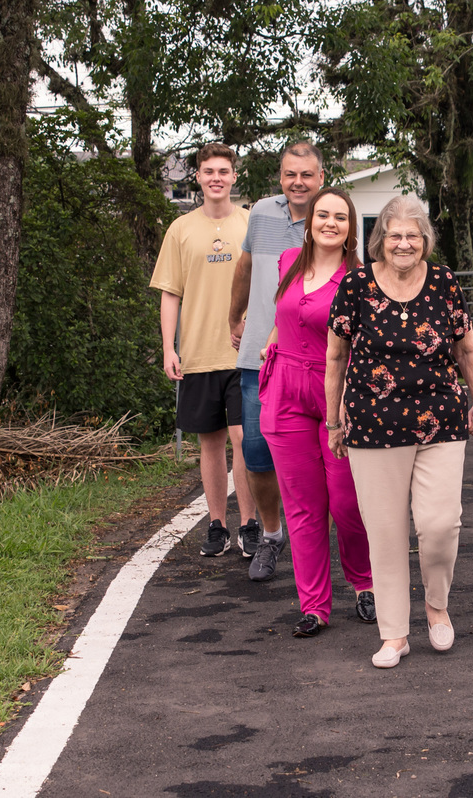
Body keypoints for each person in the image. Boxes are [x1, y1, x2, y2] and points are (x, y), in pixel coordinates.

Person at [326, 196, 473, 669]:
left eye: (412, 236)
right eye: (395, 235)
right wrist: (333, 420)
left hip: (441, 419)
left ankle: (436, 606)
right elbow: (336, 357)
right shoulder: (356, 284)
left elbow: (467, 350)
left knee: (440, 525)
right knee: (385, 532)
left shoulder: (441, 283)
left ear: (424, 241)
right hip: (372, 425)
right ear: (381, 240)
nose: (403, 244)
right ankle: (394, 633)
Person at [259, 188, 374, 637]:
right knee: (303, 507)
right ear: (308, 222)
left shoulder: (359, 279)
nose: (330, 222)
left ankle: (364, 585)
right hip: (285, 388)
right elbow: (284, 313)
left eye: (340, 217)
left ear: (350, 229)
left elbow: (361, 345)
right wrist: (272, 340)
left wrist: (350, 401)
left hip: (336, 390)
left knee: (346, 502)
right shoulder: (288, 260)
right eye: (322, 214)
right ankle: (315, 606)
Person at [150, 142, 256, 556]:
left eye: (223, 171)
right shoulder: (181, 229)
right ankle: (217, 525)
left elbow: (269, 286)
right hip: (197, 353)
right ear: (198, 177)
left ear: (233, 177)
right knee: (209, 443)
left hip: (243, 356)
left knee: (245, 439)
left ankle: (249, 523)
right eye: (208, 170)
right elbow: (170, 294)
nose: (216, 177)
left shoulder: (251, 224)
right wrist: (168, 348)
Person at [228, 141, 326, 582]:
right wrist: (235, 317)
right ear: (280, 176)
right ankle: (270, 535)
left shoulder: (331, 217)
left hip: (318, 360)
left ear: (321, 177)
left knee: (329, 460)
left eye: (306, 175)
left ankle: (328, 549)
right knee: (256, 452)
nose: (298, 182)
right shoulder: (262, 213)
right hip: (259, 357)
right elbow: (245, 266)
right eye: (290, 174)